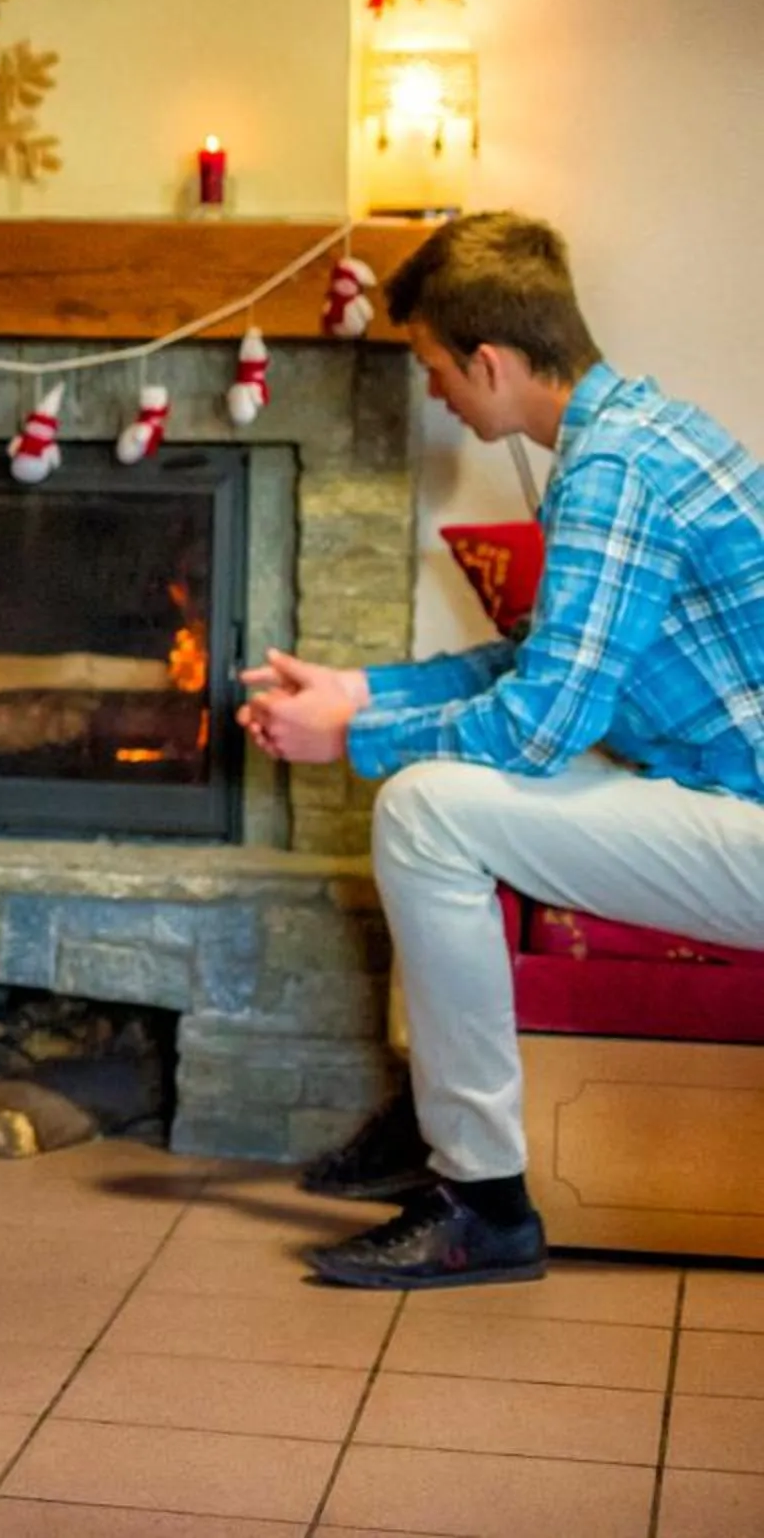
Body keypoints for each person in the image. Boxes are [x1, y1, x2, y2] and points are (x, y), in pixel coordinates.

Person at [239, 211, 764, 1289]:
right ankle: (441, 1110)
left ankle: (482, 1203)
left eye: (434, 367)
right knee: (443, 786)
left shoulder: (615, 471)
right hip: (718, 791)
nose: (433, 393)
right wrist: (359, 688)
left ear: (488, 361)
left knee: (425, 807)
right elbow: (538, 663)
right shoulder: (632, 436)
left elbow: (537, 727)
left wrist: (353, 736)